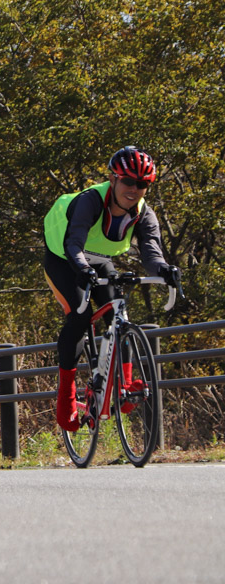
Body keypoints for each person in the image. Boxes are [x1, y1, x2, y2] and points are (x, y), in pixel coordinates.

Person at [43, 146, 179, 431]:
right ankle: (66, 396)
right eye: (128, 181)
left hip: (99, 259)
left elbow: (151, 253)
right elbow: (74, 242)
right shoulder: (90, 201)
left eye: (142, 184)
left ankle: (125, 385)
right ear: (113, 179)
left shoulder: (144, 214)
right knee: (79, 318)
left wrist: (164, 270)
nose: (134, 189)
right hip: (64, 256)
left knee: (120, 317)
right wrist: (81, 269)